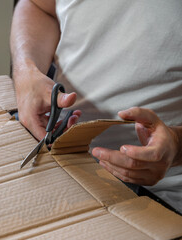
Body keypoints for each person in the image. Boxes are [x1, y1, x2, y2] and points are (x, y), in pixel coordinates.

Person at [10, 0, 182, 213]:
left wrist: (176, 146)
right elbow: (39, 7)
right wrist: (25, 69)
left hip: (160, 197)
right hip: (60, 154)